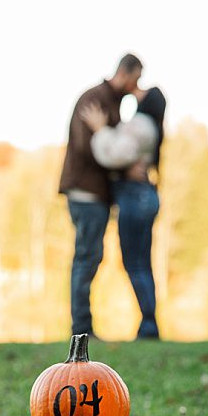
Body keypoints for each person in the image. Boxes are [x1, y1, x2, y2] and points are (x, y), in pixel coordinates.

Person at [58, 54, 143, 339]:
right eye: (136, 79)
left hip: (97, 195)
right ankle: (80, 329)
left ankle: (84, 326)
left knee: (92, 257)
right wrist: (123, 160)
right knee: (86, 257)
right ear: (126, 73)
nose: (136, 87)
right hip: (86, 192)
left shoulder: (112, 103)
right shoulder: (94, 100)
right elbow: (88, 148)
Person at [80, 85, 166, 339]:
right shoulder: (151, 127)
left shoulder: (141, 124)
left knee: (136, 263)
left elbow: (116, 154)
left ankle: (149, 326)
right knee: (140, 263)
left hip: (134, 196)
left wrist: (99, 130)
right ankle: (149, 324)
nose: (137, 92)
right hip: (142, 196)